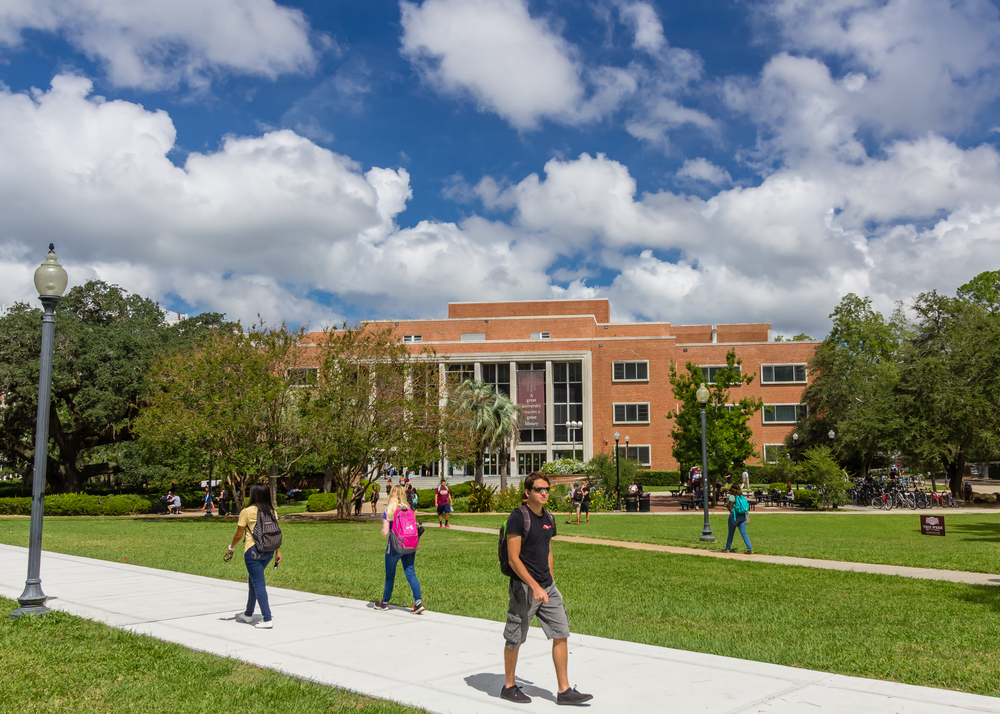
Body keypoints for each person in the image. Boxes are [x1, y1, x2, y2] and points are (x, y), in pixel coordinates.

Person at [500, 473, 592, 706]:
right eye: (539, 489)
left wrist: (549, 579)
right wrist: (534, 586)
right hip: (524, 588)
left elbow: (548, 549)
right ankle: (509, 686)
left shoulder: (549, 517)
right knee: (515, 637)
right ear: (527, 492)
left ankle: (564, 690)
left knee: (561, 632)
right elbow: (513, 559)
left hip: (547, 587)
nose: (544, 493)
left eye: (547, 489)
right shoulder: (518, 518)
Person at [225, 483, 282, 629]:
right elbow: (274, 532)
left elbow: (238, 534)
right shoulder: (271, 511)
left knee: (258, 584)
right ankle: (248, 614)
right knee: (253, 581)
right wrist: (277, 552)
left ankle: (267, 618)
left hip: (253, 552)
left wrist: (230, 548)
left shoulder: (247, 511)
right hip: (268, 552)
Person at [375, 485, 424, 614]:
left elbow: (386, 532)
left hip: (395, 547)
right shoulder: (409, 510)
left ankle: (384, 602)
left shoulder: (389, 511)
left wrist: (382, 528)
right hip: (409, 545)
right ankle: (418, 602)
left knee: (390, 576)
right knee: (410, 573)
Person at [724, 485, 753, 554]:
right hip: (743, 516)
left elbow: (730, 508)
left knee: (731, 533)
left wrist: (728, 507)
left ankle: (727, 549)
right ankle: (750, 549)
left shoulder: (732, 496)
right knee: (744, 533)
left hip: (734, 516)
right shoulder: (741, 496)